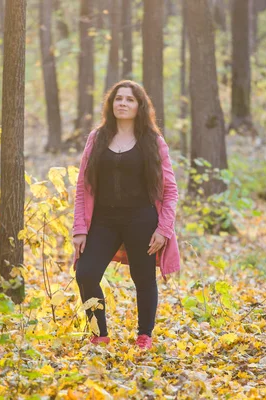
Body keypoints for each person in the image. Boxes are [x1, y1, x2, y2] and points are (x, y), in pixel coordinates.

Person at [72, 80, 180, 350]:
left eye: (129, 99)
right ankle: (99, 333)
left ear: (139, 106)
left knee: (143, 279)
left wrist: (164, 229)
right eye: (118, 98)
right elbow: (82, 186)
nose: (123, 103)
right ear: (111, 104)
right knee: (85, 272)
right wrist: (79, 228)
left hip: (141, 220)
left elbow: (170, 189)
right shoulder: (97, 138)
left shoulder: (152, 141)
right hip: (103, 221)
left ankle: (144, 336)